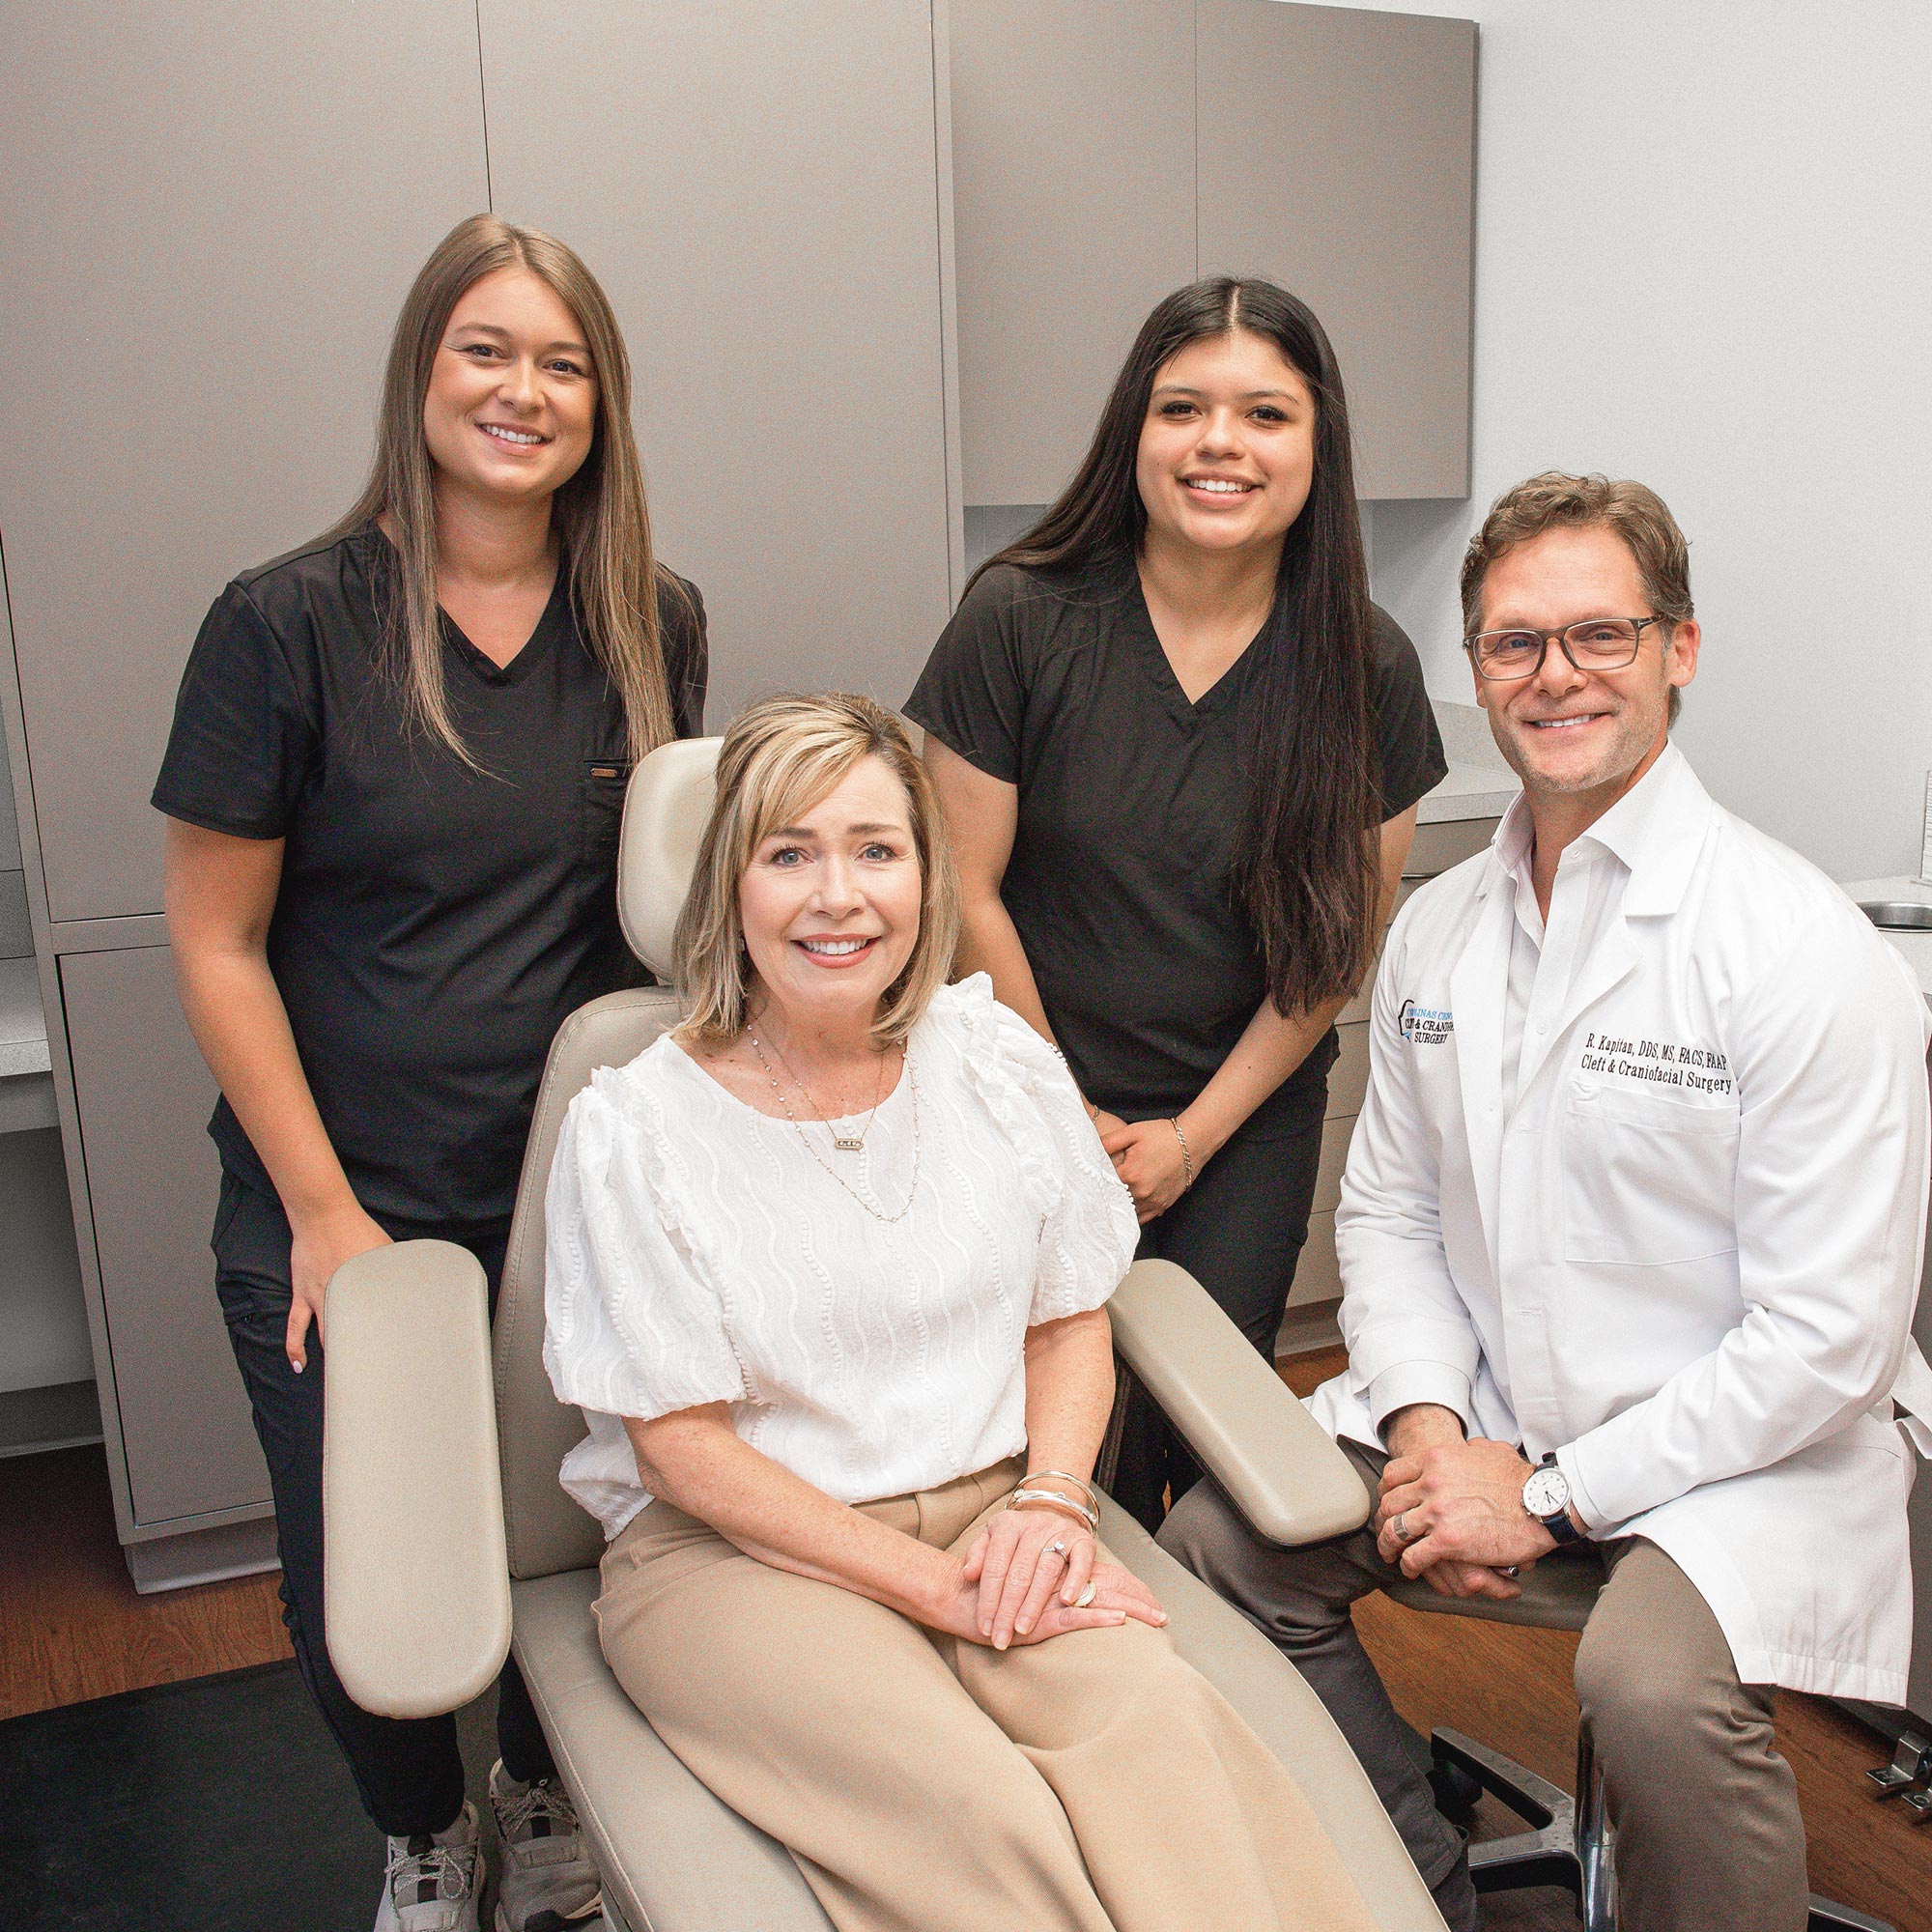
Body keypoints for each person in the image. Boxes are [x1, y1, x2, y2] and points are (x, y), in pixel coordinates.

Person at [1161, 471, 1932, 1932]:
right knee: (1216, 1553)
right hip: (1495, 1417)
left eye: (1602, 635)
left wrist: (1553, 1492)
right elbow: (1387, 1217)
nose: (1555, 675)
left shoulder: (1795, 950)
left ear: (1679, 651)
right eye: (1516, 643)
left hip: (1741, 1457)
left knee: (1645, 1691)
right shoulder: (1442, 930)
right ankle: (1417, 1876)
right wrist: (1435, 1430)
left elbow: (1830, 1334)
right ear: (1475, 671)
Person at [541, 692, 1387, 1932]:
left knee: (1153, 1737)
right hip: (736, 1560)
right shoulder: (636, 1125)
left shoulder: (990, 1057)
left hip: (1001, 1510)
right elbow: (680, 1448)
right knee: (976, 1816)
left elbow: (1065, 1317)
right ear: (730, 884)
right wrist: (932, 1594)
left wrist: (1051, 1499)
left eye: (876, 849)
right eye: (790, 853)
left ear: (925, 877)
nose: (839, 895)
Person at [155, 213, 707, 1932]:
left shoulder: (650, 621)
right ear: (421, 372)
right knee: (367, 1595)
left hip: (560, 1203)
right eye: (485, 349)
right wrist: (323, 1218)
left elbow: (651, 926)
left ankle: (544, 1802)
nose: (521, 391)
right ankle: (424, 1832)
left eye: (562, 363)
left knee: (574, 1548)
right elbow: (214, 940)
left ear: (602, 403)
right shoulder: (285, 625)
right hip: (345, 1209)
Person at [906, 276, 1446, 1532]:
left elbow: (1330, 958)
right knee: (1043, 1441)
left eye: (1265, 414)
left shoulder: (1365, 664)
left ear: (1319, 444)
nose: (1219, 442)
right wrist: (1069, 1119)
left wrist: (1192, 1138)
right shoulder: (1022, 618)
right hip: (1022, 1101)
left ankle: (1202, 1696)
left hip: (1238, 1122)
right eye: (1182, 408)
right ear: (1132, 433)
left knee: (1210, 1457)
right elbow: (964, 893)